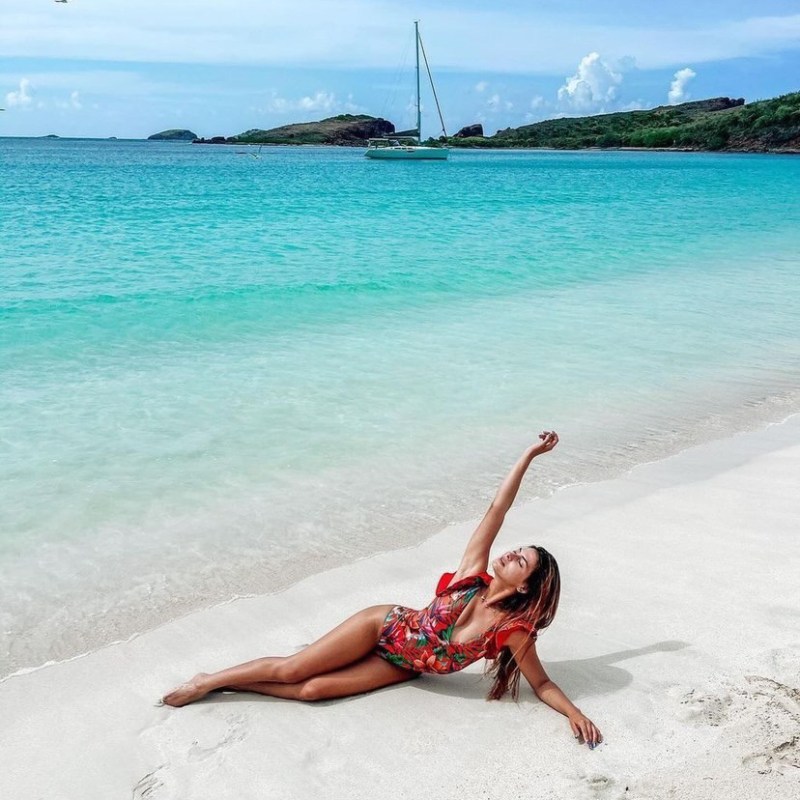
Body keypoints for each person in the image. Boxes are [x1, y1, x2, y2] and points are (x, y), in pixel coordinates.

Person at [163, 431, 603, 748]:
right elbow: (497, 509)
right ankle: (208, 681)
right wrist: (529, 455)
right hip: (383, 626)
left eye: (519, 561)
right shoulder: (472, 574)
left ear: (525, 586)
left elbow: (541, 682)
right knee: (293, 670)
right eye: (515, 550)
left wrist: (574, 712)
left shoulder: (512, 633)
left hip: (404, 665)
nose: (508, 555)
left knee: (312, 692)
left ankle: (240, 687)